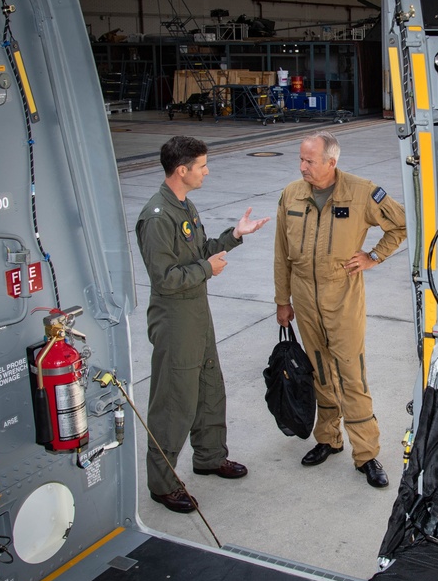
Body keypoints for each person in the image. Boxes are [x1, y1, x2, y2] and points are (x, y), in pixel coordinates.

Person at [136, 136, 270, 513]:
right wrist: (206, 270)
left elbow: (198, 253)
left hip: (197, 313)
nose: (207, 171)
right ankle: (162, 484)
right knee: (174, 401)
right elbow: (165, 278)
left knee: (210, 388)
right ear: (183, 170)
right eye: (202, 166)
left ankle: (210, 456)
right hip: (175, 319)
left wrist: (235, 235)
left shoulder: (184, 205)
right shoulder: (157, 217)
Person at [274, 131, 407, 488]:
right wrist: (282, 301)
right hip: (303, 296)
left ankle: (366, 454)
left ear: (331, 162)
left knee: (352, 374)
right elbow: (281, 253)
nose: (302, 166)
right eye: (301, 159)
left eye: (309, 161)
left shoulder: (362, 192)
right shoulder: (291, 195)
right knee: (318, 371)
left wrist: (374, 256)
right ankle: (328, 439)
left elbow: (401, 224)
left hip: (342, 295)